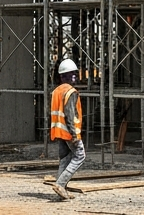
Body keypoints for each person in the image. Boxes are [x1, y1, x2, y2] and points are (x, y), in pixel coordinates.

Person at [48, 59, 85, 200]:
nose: (75, 77)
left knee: (65, 159)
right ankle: (60, 184)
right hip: (69, 132)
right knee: (80, 156)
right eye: (72, 74)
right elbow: (70, 115)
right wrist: (74, 134)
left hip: (58, 131)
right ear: (64, 76)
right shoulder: (70, 92)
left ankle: (61, 191)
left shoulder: (56, 91)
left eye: (75, 74)